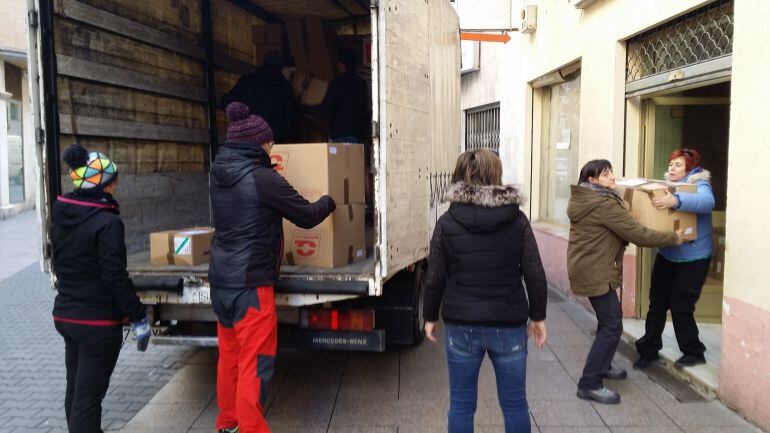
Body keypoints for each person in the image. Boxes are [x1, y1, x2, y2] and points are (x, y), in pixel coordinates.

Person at [208, 102, 336, 433]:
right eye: (269, 142)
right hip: (252, 285)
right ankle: (250, 428)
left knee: (230, 357)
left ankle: (228, 423)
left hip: (222, 283)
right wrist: (334, 199)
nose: (271, 148)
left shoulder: (218, 172)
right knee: (256, 362)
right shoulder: (263, 179)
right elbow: (307, 216)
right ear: (257, 143)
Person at [422, 149, 548, 433]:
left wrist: (429, 317)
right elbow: (535, 273)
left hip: (461, 325)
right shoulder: (517, 220)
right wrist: (538, 317)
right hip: (509, 324)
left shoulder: (447, 222)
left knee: (461, 406)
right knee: (515, 404)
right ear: (496, 175)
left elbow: (435, 276)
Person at [52, 144, 151, 433]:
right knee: (88, 400)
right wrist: (138, 317)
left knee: (76, 392)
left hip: (66, 317)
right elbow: (114, 276)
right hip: (96, 322)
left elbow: (60, 265)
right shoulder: (108, 222)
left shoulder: (60, 216)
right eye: (114, 179)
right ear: (105, 183)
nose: (117, 185)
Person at [567, 159, 683, 404]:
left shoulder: (588, 199)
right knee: (612, 325)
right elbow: (638, 234)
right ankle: (589, 383)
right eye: (606, 174)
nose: (612, 177)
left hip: (591, 266)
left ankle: (604, 365)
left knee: (607, 321)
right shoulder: (602, 204)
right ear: (591, 180)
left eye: (611, 172)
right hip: (595, 269)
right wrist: (673, 237)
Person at [634, 149, 715, 369]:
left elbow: (707, 202)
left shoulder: (700, 184)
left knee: (681, 305)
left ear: (690, 168)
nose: (672, 168)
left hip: (694, 257)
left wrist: (675, 201)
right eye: (671, 164)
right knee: (656, 303)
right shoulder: (664, 185)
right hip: (668, 254)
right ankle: (648, 351)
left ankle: (693, 351)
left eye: (678, 165)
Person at [220, 51, 297, 143]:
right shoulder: (284, 88)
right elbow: (290, 123)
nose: (291, 77)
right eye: (291, 73)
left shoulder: (246, 81)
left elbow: (225, 101)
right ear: (284, 68)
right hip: (271, 142)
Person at [302, 48, 370, 144]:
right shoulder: (362, 83)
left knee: (341, 159)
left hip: (342, 137)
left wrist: (302, 108)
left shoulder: (338, 83)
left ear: (342, 64)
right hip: (359, 136)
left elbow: (323, 110)